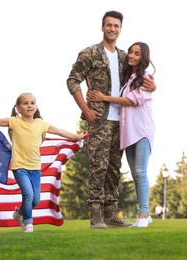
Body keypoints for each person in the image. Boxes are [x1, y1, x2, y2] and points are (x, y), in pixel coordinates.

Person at [66, 10, 157, 229]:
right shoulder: (89, 53)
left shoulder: (126, 56)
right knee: (99, 166)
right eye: (109, 25)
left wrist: (153, 85)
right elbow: (72, 81)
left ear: (120, 29)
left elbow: (141, 78)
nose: (112, 29)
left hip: (124, 122)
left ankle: (110, 214)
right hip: (100, 118)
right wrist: (86, 110)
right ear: (102, 27)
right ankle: (96, 216)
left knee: (115, 168)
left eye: (116, 26)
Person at [0, 92, 88, 233]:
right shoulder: (14, 122)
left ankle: (19, 213)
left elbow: (59, 131)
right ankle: (28, 224)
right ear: (18, 108)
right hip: (20, 167)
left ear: (36, 107)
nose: (29, 106)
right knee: (28, 194)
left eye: (32, 103)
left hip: (35, 168)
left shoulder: (41, 124)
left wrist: (76, 137)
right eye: (25, 103)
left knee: (35, 200)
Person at [87, 42, 156, 227]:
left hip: (141, 131)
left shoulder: (145, 78)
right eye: (131, 52)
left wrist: (104, 98)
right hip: (129, 133)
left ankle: (143, 215)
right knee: (135, 173)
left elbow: (131, 101)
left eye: (137, 54)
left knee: (140, 172)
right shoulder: (129, 79)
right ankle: (146, 213)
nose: (132, 56)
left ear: (144, 58)